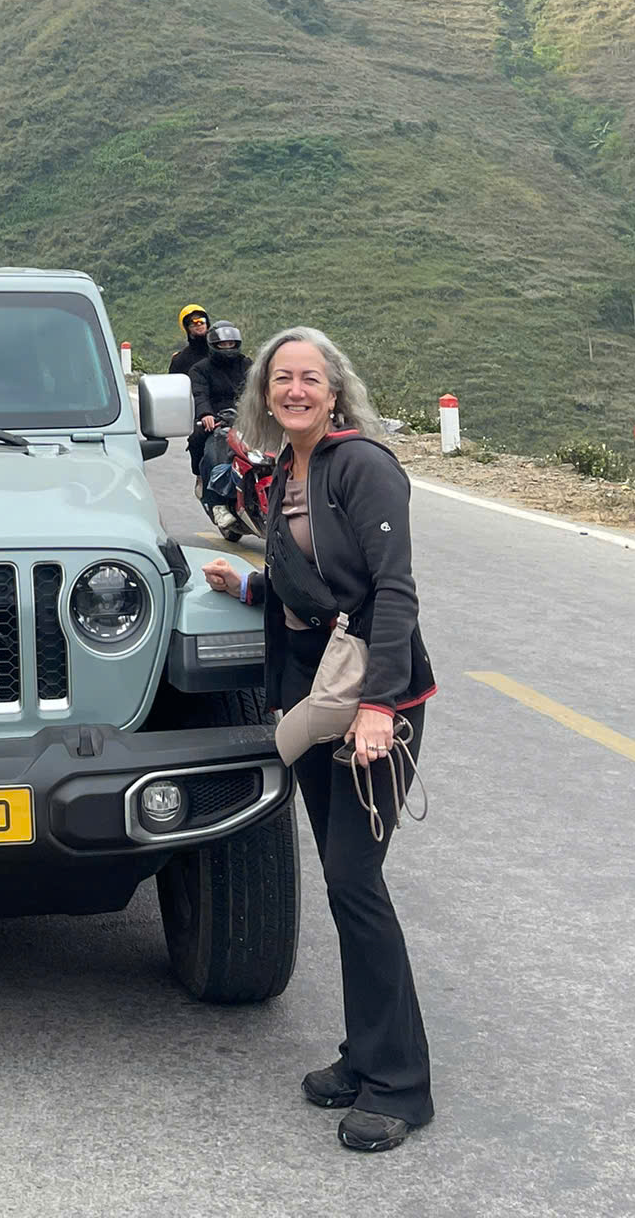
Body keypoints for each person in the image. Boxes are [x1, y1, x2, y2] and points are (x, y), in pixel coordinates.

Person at [203, 325, 435, 1155]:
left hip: (370, 703)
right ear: (266, 395)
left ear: (335, 392)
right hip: (314, 695)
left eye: (311, 378)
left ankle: (400, 1086)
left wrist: (381, 706)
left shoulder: (363, 466)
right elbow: (315, 585)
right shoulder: (285, 472)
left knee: (354, 881)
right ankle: (363, 1053)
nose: (295, 390)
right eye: (281, 380)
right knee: (346, 888)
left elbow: (392, 592)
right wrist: (254, 582)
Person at [185, 319, 250, 484]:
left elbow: (257, 388)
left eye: (231, 343)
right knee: (198, 441)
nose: (228, 347)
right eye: (223, 344)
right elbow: (199, 393)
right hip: (215, 417)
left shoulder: (246, 364)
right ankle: (202, 478)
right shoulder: (200, 369)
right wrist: (205, 413)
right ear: (213, 344)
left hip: (244, 415)